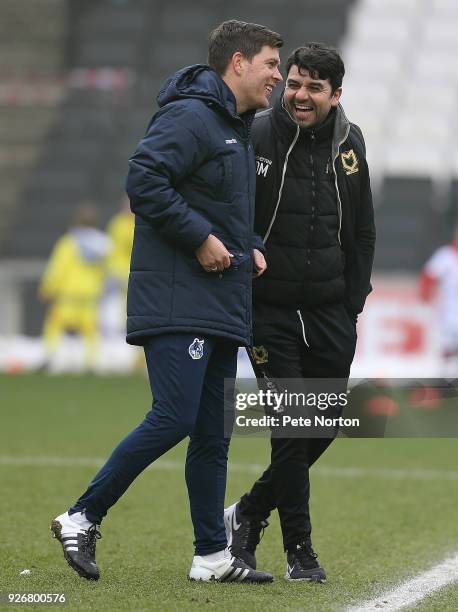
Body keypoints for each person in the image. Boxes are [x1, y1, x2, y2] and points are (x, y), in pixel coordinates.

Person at [50, 20, 283, 584]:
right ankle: (82, 514)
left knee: (212, 437)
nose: (278, 75)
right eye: (271, 64)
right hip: (180, 299)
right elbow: (144, 179)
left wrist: (247, 246)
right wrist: (200, 238)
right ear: (238, 63)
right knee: (174, 417)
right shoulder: (192, 116)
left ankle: (211, 555)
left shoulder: (236, 127)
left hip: (221, 303)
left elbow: (227, 213)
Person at [224, 42, 375, 582]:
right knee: (292, 428)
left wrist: (353, 302)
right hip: (270, 310)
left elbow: (362, 230)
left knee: (324, 423)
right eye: (293, 83)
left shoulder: (351, 142)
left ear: (336, 95)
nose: (299, 95)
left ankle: (247, 511)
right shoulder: (256, 133)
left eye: (314, 87)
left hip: (332, 309)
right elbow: (231, 208)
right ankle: (299, 551)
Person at [39, 204, 110, 370]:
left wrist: (47, 288)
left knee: (55, 324)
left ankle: (50, 356)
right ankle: (92, 362)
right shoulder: (103, 244)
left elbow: (58, 267)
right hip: (90, 294)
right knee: (91, 330)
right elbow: (106, 270)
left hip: (68, 294)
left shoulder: (69, 242)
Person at [420, 216, 458, 377]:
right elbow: (429, 276)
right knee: (447, 353)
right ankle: (442, 388)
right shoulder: (447, 256)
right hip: (448, 315)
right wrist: (426, 295)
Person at [101, 195, 134, 337]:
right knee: (121, 303)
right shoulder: (130, 224)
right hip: (122, 271)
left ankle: (115, 332)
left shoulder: (116, 222)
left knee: (118, 303)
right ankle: (117, 332)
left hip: (117, 269)